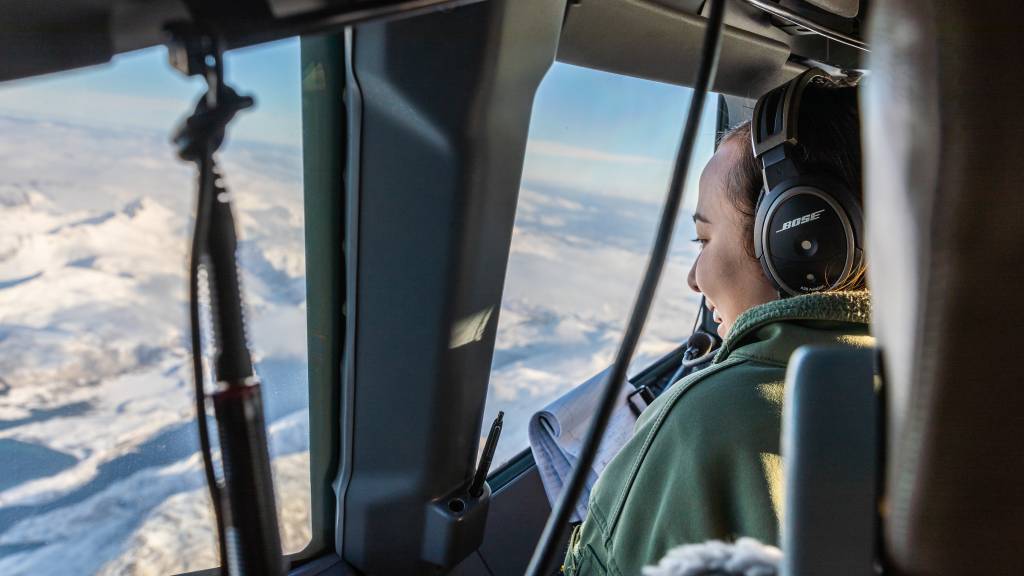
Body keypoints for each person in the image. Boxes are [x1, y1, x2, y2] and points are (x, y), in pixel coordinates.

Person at [562, 73, 872, 575]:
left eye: (703, 241)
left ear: (797, 238)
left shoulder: (708, 419)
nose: (692, 279)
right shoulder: (945, 385)